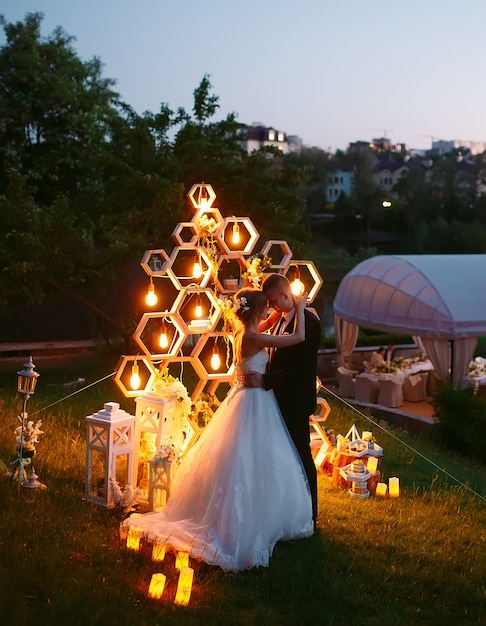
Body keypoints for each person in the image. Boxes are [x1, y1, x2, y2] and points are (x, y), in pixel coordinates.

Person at [121, 288, 313, 571]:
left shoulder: (243, 334)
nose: (270, 310)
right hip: (255, 400)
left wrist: (283, 313)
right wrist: (300, 306)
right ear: (258, 311)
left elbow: (268, 325)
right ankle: (244, 520)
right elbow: (298, 338)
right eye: (266, 307)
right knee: (252, 455)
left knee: (244, 454)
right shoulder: (254, 337)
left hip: (245, 397)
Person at [245, 273, 321, 524]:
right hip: (276, 399)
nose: (270, 306)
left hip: (295, 400)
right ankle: (290, 507)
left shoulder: (308, 322)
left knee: (302, 453)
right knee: (285, 456)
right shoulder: (278, 320)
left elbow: (303, 368)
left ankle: (311, 512)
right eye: (267, 302)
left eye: (273, 300)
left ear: (286, 295)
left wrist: (266, 381)